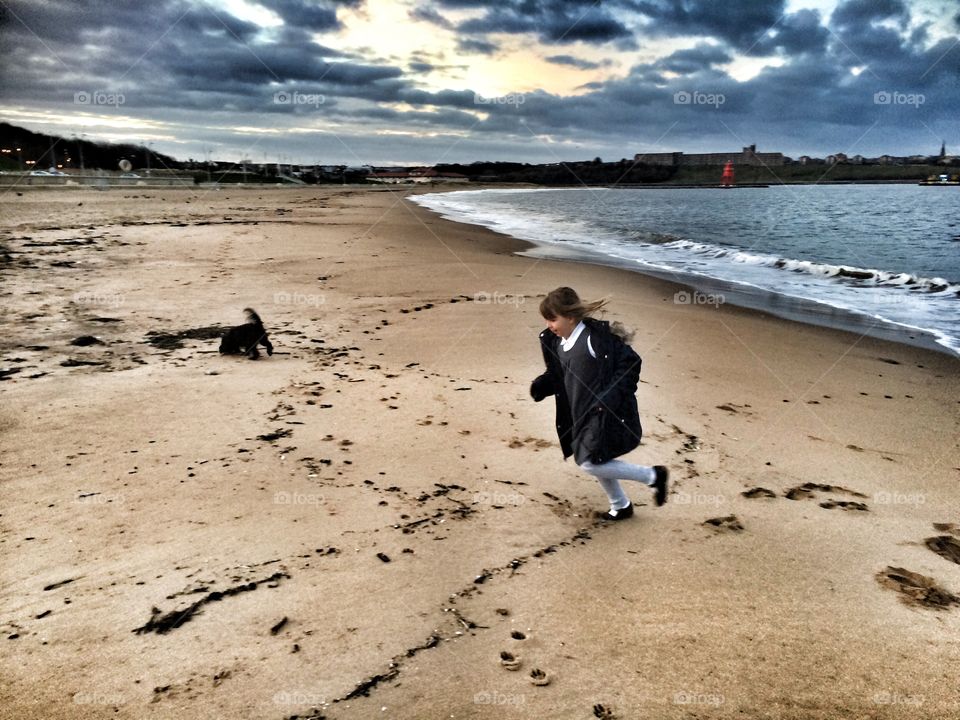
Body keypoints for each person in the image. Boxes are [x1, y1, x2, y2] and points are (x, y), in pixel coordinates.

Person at [530, 287, 668, 520]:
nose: (548, 325)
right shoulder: (556, 343)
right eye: (546, 319)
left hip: (603, 413)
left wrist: (609, 399)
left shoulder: (594, 339)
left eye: (553, 319)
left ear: (570, 317)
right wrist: (544, 384)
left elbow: (631, 364)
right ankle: (621, 505)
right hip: (577, 412)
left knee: (588, 462)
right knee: (597, 457)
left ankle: (653, 476)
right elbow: (559, 374)